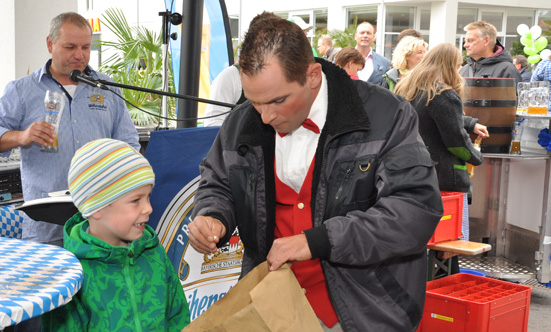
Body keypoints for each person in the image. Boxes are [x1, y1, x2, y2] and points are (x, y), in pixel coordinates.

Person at [189, 11, 443, 332]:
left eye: (279, 100)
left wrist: (318, 240)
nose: (265, 117)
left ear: (312, 76)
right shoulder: (242, 123)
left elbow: (415, 209)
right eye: (255, 102)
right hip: (271, 309)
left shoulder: (386, 115)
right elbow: (218, 183)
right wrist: (213, 215)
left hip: (363, 310)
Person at [0, 12, 139, 332]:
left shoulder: (105, 87)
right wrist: (21, 137)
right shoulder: (21, 91)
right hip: (44, 228)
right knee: (42, 319)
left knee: (97, 312)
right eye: (71, 47)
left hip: (98, 223)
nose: (80, 55)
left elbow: (129, 145)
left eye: (87, 47)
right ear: (50, 44)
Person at [42, 138, 190, 331]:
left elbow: (177, 315)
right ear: (96, 207)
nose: (149, 208)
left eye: (148, 197)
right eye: (136, 200)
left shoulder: (154, 253)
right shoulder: (70, 275)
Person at [395, 43, 486, 275]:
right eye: (457, 66)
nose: (459, 71)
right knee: (448, 249)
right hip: (445, 181)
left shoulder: (408, 87)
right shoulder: (444, 94)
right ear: (449, 66)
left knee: (422, 245)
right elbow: (456, 141)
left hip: (412, 176)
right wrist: (476, 156)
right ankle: (443, 301)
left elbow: (432, 118)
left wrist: (470, 122)